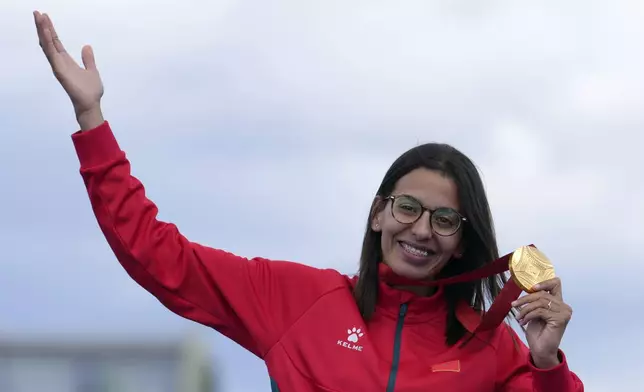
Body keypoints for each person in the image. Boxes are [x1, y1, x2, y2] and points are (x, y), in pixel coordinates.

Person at [33, 10, 584, 392]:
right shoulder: (298, 301)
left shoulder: (492, 350)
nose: (421, 230)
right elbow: (158, 255)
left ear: (463, 239)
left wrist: (545, 362)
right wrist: (91, 120)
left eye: (445, 220)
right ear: (378, 214)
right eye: (408, 208)